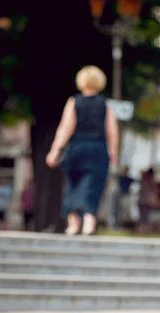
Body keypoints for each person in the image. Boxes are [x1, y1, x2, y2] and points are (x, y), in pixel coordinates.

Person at [46, 66, 118, 235]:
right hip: (98, 149)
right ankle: (89, 223)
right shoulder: (105, 105)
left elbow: (66, 128)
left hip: (76, 148)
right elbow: (112, 131)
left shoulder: (74, 102)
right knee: (93, 185)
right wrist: (113, 152)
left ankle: (73, 224)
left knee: (73, 184)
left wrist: (55, 150)